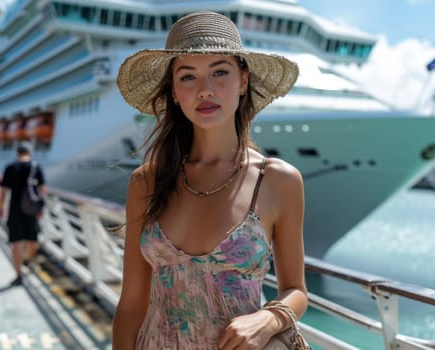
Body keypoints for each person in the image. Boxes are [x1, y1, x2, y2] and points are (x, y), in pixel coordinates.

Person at [112, 11, 308, 349]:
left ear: (243, 81)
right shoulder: (146, 182)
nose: (205, 90)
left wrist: (269, 318)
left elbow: (296, 290)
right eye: (188, 77)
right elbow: (130, 305)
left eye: (220, 72)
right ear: (174, 91)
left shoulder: (277, 181)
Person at [0, 141, 46, 286]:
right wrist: (40, 208)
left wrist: (0, 207)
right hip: (32, 209)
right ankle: (29, 261)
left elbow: (4, 190)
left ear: (17, 153)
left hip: (15, 209)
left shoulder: (10, 167)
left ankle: (18, 274)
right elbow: (43, 189)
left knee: (16, 243)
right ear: (30, 153)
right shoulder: (36, 166)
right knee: (33, 239)